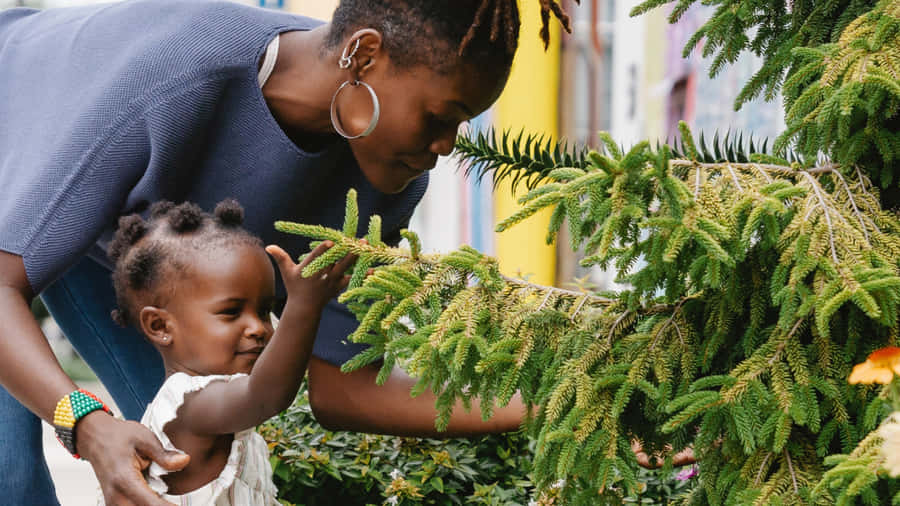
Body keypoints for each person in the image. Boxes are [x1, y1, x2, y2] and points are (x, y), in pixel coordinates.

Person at [0, 0, 575, 504]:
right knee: (11, 478)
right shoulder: (170, 79)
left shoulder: (381, 182)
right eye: (438, 118)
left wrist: (561, 405)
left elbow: (346, 386)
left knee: (190, 460)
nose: (446, 148)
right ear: (364, 56)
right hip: (16, 128)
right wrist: (85, 422)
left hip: (118, 237)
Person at [102, 199, 353, 504]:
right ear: (160, 326)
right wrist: (303, 307)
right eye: (231, 312)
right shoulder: (188, 404)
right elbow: (266, 396)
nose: (257, 328)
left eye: (265, 311)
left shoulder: (223, 408)